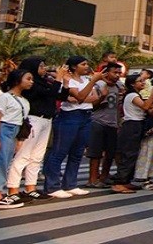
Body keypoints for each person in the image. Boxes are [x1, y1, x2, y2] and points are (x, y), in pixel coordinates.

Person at [6, 57, 67, 202]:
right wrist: (58, 78)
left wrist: (65, 81)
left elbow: (60, 96)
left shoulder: (45, 82)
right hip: (34, 119)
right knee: (23, 155)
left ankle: (30, 187)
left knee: (37, 156)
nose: (44, 69)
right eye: (41, 66)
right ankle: (12, 189)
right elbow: (49, 93)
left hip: (47, 119)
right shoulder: (32, 85)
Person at [42, 56, 104, 199]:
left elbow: (94, 97)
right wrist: (87, 89)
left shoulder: (87, 80)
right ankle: (52, 186)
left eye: (87, 63)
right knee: (59, 152)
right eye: (83, 64)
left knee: (77, 153)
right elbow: (81, 96)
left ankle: (70, 184)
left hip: (86, 115)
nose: (87, 66)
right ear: (74, 66)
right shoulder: (69, 80)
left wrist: (80, 97)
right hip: (69, 116)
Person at [0, 69, 33, 209]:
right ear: (17, 80)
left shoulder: (24, 101)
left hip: (14, 131)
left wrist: (19, 139)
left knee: (2, 161)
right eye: (28, 78)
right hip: (3, 129)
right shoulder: (5, 97)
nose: (31, 82)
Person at [110, 74, 153, 193]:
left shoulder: (134, 94)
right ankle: (119, 183)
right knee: (128, 154)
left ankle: (126, 181)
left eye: (143, 81)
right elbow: (146, 106)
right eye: (139, 81)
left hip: (135, 125)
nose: (142, 83)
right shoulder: (132, 95)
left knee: (132, 154)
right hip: (132, 125)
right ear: (132, 84)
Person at [85, 62, 124, 188]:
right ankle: (92, 179)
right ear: (106, 73)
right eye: (115, 72)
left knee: (110, 152)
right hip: (97, 121)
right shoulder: (97, 85)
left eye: (119, 73)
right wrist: (103, 96)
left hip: (112, 123)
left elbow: (116, 106)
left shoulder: (119, 86)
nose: (118, 75)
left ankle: (104, 176)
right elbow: (92, 105)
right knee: (96, 153)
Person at [132, 70, 153, 190]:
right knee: (144, 158)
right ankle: (142, 178)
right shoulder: (145, 119)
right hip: (146, 142)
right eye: (151, 107)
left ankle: (149, 177)